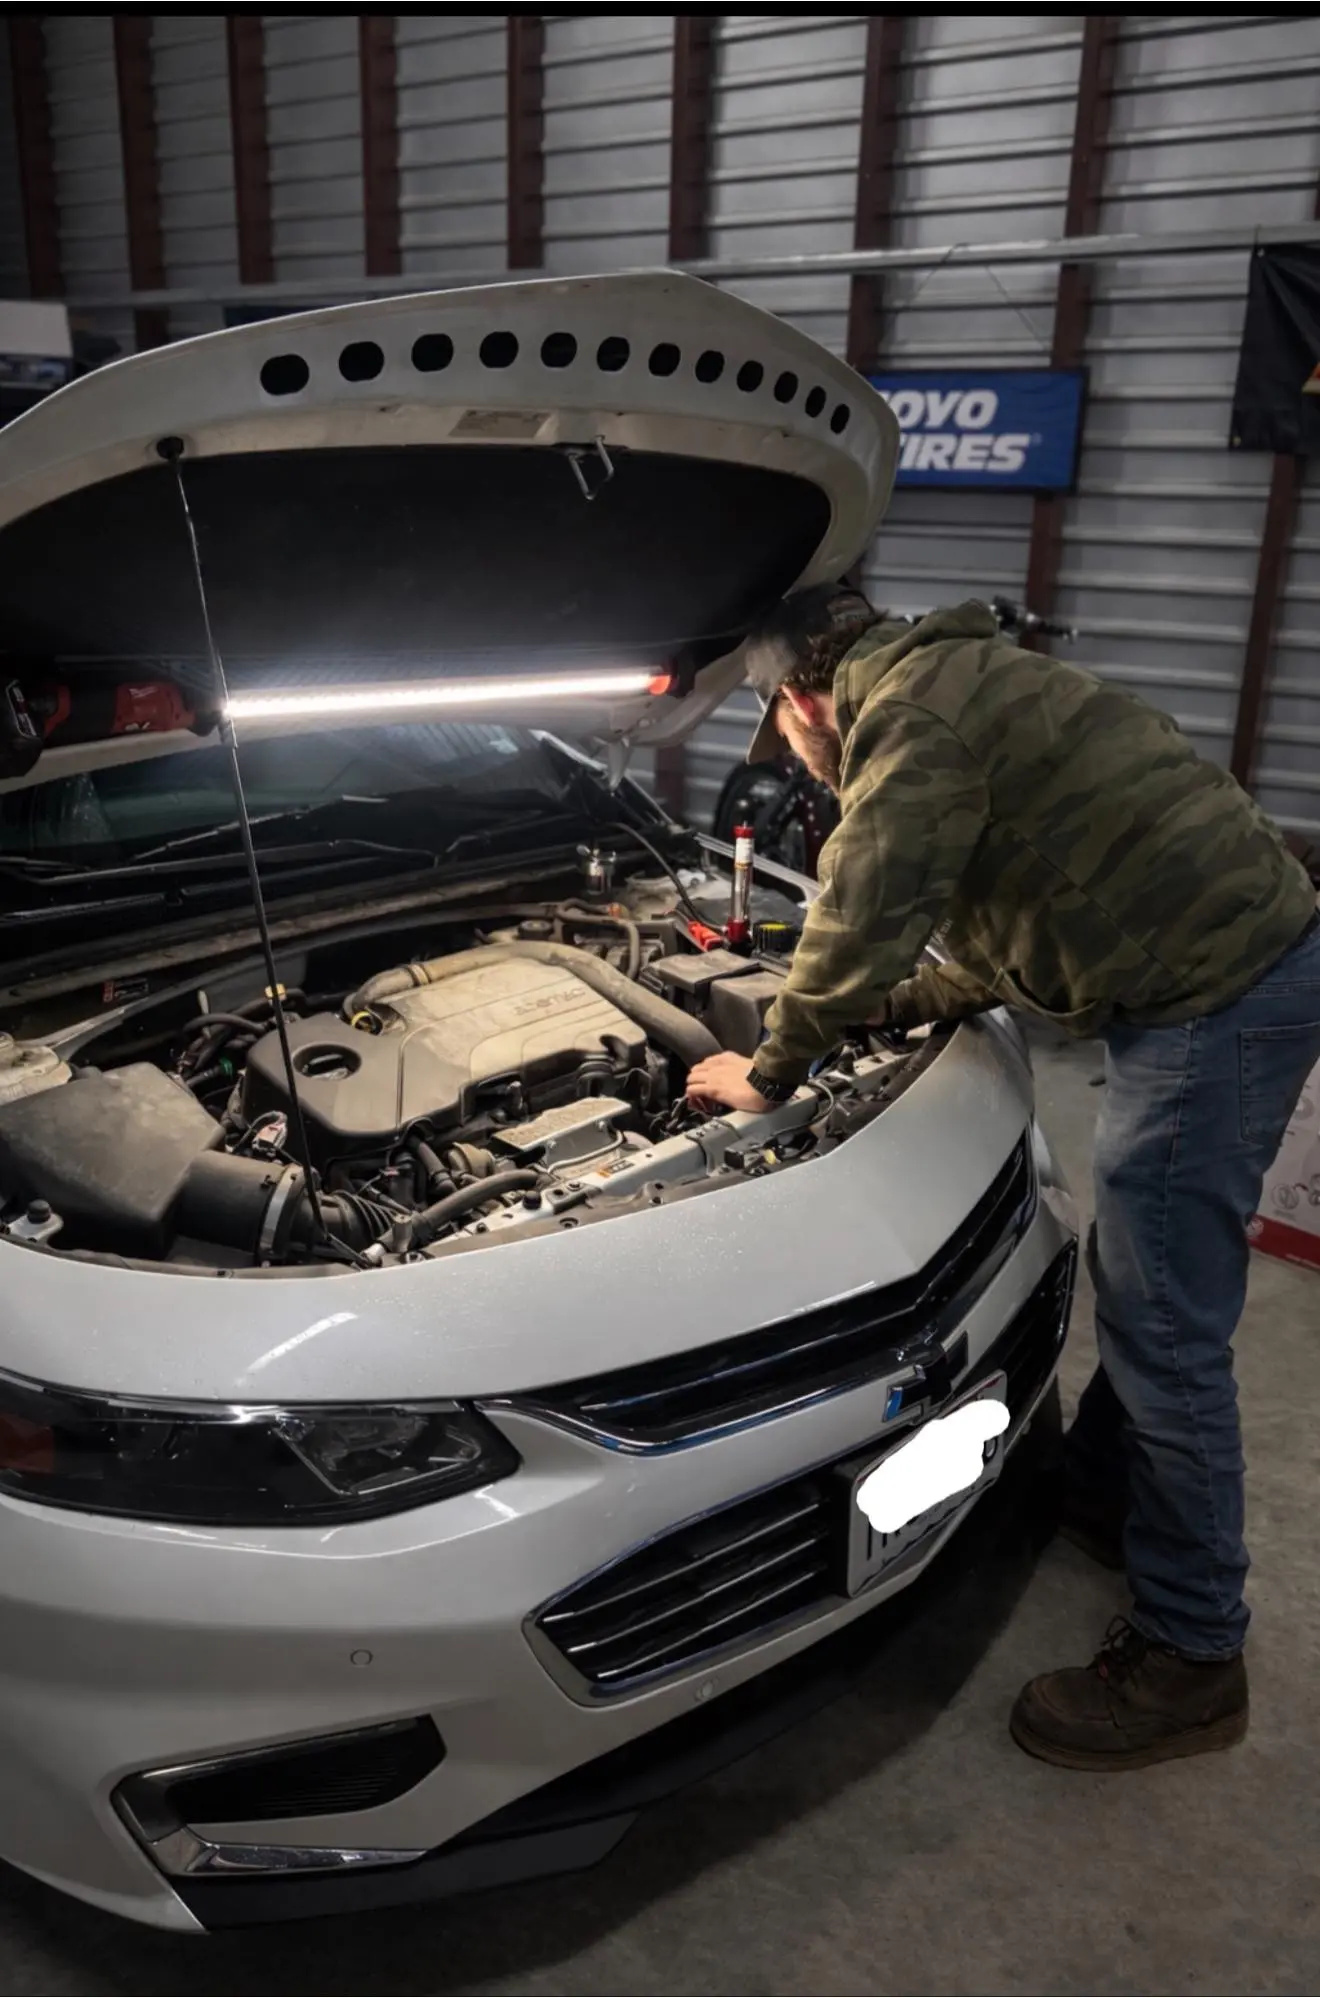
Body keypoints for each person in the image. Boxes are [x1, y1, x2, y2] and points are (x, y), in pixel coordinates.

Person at [686, 585, 1320, 1771]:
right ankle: (1101, 1493)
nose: (800, 763)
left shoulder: (911, 725)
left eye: (784, 734)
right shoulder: (959, 679)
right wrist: (897, 1006)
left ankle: (1193, 1654)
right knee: (1149, 1284)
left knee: (1167, 1326)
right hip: (1230, 959)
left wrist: (771, 1069)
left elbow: (868, 906)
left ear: (799, 701)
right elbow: (1006, 918)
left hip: (1215, 995)